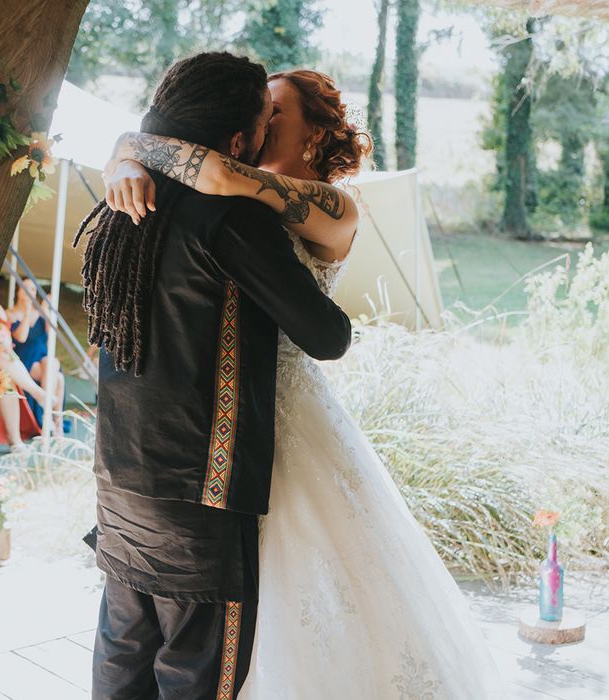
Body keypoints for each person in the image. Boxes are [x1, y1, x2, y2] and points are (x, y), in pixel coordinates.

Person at [103, 69, 506, 697]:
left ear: (315, 135)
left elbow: (219, 175)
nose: (262, 121)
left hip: (283, 414)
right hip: (222, 429)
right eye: (259, 110)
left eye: (276, 110)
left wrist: (130, 147)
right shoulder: (222, 195)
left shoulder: (332, 205)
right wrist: (124, 157)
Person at [75, 53, 351, 699]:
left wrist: (127, 153)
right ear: (238, 139)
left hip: (120, 473)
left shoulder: (124, 196)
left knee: (122, 660)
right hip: (200, 487)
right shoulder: (233, 215)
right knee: (195, 676)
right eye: (264, 115)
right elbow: (327, 336)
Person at [0, 300, 44, 449]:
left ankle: (15, 440)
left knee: (5, 381)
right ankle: (37, 392)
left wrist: (1, 344)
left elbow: (6, 338)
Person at [8, 279, 65, 436]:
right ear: (18, 292)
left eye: (32, 289)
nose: (29, 292)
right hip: (25, 358)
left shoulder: (40, 313)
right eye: (25, 288)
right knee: (58, 377)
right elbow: (21, 338)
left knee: (53, 365)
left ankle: (52, 419)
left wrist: (46, 310)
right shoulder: (11, 313)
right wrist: (26, 313)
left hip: (43, 358)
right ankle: (52, 418)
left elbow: (52, 335)